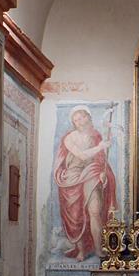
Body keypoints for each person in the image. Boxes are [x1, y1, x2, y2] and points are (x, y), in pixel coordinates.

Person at [53, 106, 117, 262]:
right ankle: (81, 251)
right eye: (76, 119)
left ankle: (98, 249)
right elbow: (81, 156)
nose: (79, 121)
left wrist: (103, 172)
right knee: (76, 216)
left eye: (82, 117)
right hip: (73, 176)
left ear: (88, 117)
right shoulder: (69, 138)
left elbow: (101, 159)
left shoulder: (96, 136)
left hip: (92, 172)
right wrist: (100, 147)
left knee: (94, 211)